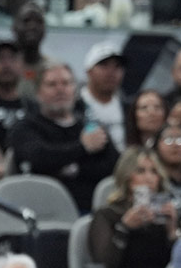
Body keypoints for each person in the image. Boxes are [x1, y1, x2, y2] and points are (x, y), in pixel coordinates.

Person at [8, 63, 119, 212]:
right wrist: (83, 147)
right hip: (43, 210)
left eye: (66, 83)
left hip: (92, 209)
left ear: (75, 89)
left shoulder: (90, 127)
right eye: (52, 84)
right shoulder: (26, 127)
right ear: (38, 92)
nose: (60, 90)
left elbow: (114, 165)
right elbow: (37, 157)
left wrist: (73, 168)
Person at [88, 147, 177, 268]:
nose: (149, 178)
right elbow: (103, 267)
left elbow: (179, 265)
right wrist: (123, 228)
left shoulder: (164, 216)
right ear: (127, 177)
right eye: (141, 171)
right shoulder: (107, 215)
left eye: (154, 171)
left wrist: (172, 232)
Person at [76, 41, 128, 150]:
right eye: (103, 65)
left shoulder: (128, 107)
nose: (111, 72)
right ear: (89, 71)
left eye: (117, 66)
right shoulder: (73, 107)